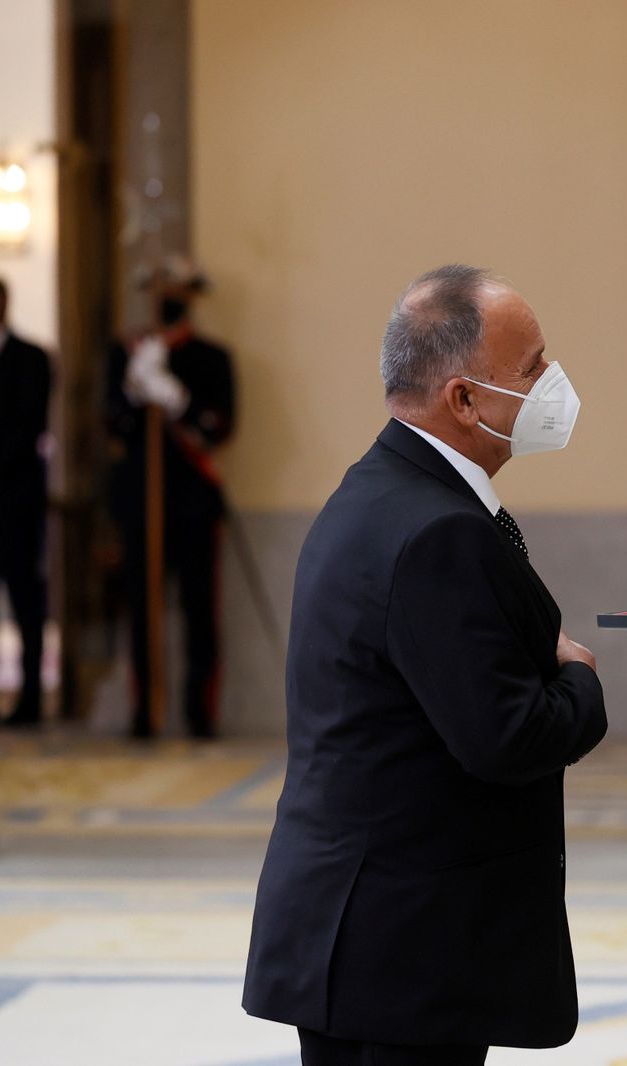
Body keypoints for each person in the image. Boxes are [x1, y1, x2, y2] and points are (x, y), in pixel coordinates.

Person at [243, 265, 607, 1066]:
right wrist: (580, 678)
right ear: (465, 400)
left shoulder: (377, 491)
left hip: (371, 936)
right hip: (400, 953)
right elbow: (507, 736)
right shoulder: (439, 530)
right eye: (534, 367)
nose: (554, 383)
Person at [105, 255, 235, 738]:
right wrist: (136, 392)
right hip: (141, 501)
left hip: (194, 504)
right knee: (142, 611)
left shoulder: (211, 358)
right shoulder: (126, 356)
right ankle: (146, 712)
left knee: (201, 611)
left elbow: (218, 427)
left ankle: (200, 713)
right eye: (162, 290)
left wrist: (175, 396)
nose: (169, 300)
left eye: (178, 291)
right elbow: (112, 423)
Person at [0, 277, 52, 726]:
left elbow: (29, 424)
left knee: (24, 602)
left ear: (1, 300)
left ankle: (31, 699)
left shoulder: (30, 359)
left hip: (12, 500)